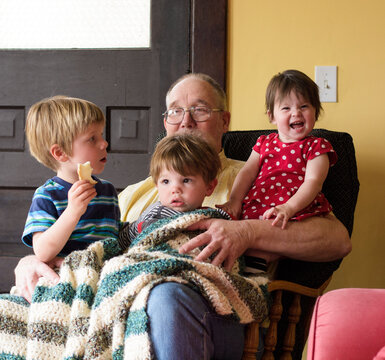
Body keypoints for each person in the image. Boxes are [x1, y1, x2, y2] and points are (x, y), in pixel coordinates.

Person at [13, 73, 351, 360]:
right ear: (165, 124)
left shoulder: (257, 179)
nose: (186, 121)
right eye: (176, 112)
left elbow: (337, 240)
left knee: (164, 294)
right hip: (123, 304)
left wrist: (247, 232)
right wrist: (32, 262)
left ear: (225, 122)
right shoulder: (130, 193)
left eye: (199, 110)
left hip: (219, 309)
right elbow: (99, 244)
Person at [218, 69, 337, 272]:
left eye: (304, 106)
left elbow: (313, 182)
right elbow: (247, 172)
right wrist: (235, 200)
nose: (296, 113)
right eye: (286, 108)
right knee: (227, 231)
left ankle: (254, 280)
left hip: (295, 208)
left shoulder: (317, 147)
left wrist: (289, 207)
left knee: (261, 248)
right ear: (271, 116)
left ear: (316, 112)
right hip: (257, 206)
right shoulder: (264, 143)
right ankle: (229, 271)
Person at [21, 95, 120, 262]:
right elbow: (42, 252)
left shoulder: (108, 191)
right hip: (65, 274)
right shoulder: (47, 195)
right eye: (92, 138)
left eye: (101, 135)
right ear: (60, 153)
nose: (104, 143)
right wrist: (73, 211)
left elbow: (113, 238)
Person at [118, 133, 230, 249]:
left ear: (209, 187)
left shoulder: (210, 216)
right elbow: (122, 243)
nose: (175, 189)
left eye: (186, 180)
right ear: (157, 186)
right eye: (166, 181)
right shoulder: (155, 215)